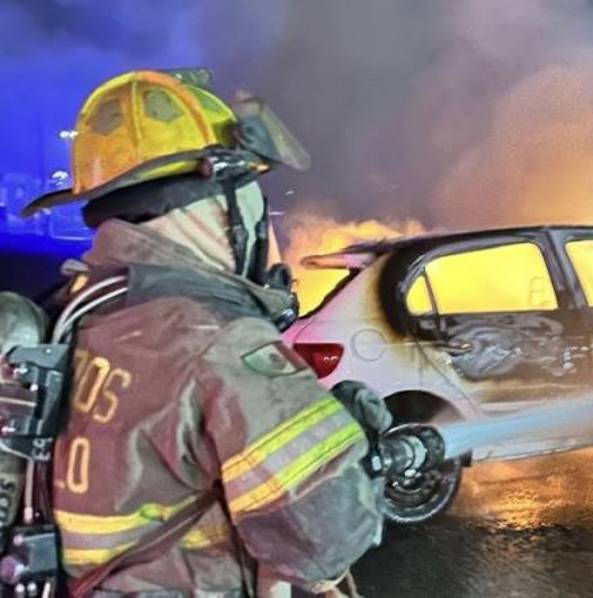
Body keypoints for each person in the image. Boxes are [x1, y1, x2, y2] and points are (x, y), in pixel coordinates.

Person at [21, 69, 390, 596]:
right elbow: (323, 543)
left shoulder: (74, 314)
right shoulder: (218, 344)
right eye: (250, 190)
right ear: (219, 203)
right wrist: (358, 452)